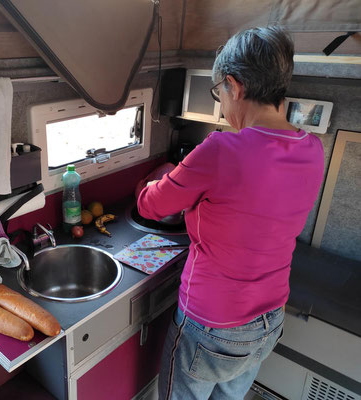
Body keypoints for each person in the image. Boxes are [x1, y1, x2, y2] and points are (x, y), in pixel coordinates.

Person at [137, 26, 324, 400]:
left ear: (234, 87)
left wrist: (160, 180)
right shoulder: (313, 148)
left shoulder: (221, 149)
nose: (222, 105)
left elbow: (150, 205)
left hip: (212, 322)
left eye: (219, 92)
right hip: (269, 318)